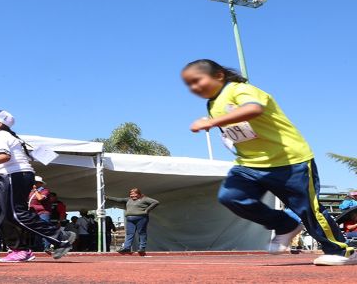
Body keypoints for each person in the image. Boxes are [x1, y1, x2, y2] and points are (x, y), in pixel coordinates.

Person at [181, 59, 356, 266]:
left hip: (289, 161)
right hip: (249, 164)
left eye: (196, 80)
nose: (193, 88)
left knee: (308, 209)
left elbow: (253, 109)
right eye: (189, 84)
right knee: (231, 196)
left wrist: (211, 122)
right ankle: (284, 225)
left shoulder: (240, 90)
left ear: (218, 75)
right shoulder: (212, 104)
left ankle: (340, 251)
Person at [0, 109, 76, 263]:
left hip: (13, 176)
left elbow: (4, 156)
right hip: (8, 176)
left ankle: (61, 238)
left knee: (16, 214)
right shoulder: (4, 136)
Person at [107, 188, 159, 254]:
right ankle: (127, 248)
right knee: (129, 233)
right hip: (129, 219)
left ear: (139, 194)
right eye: (131, 194)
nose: (132, 196)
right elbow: (119, 200)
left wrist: (147, 210)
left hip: (141, 218)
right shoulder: (128, 199)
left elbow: (156, 202)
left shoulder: (145, 199)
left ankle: (142, 248)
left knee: (141, 232)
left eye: (134, 194)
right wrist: (107, 197)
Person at [28, 176, 52, 252]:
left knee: (44, 229)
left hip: (43, 213)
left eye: (35, 182)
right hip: (34, 213)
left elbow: (40, 198)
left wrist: (35, 190)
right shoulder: (31, 192)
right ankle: (38, 246)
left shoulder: (45, 191)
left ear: (40, 184)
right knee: (36, 230)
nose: (33, 184)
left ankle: (47, 246)